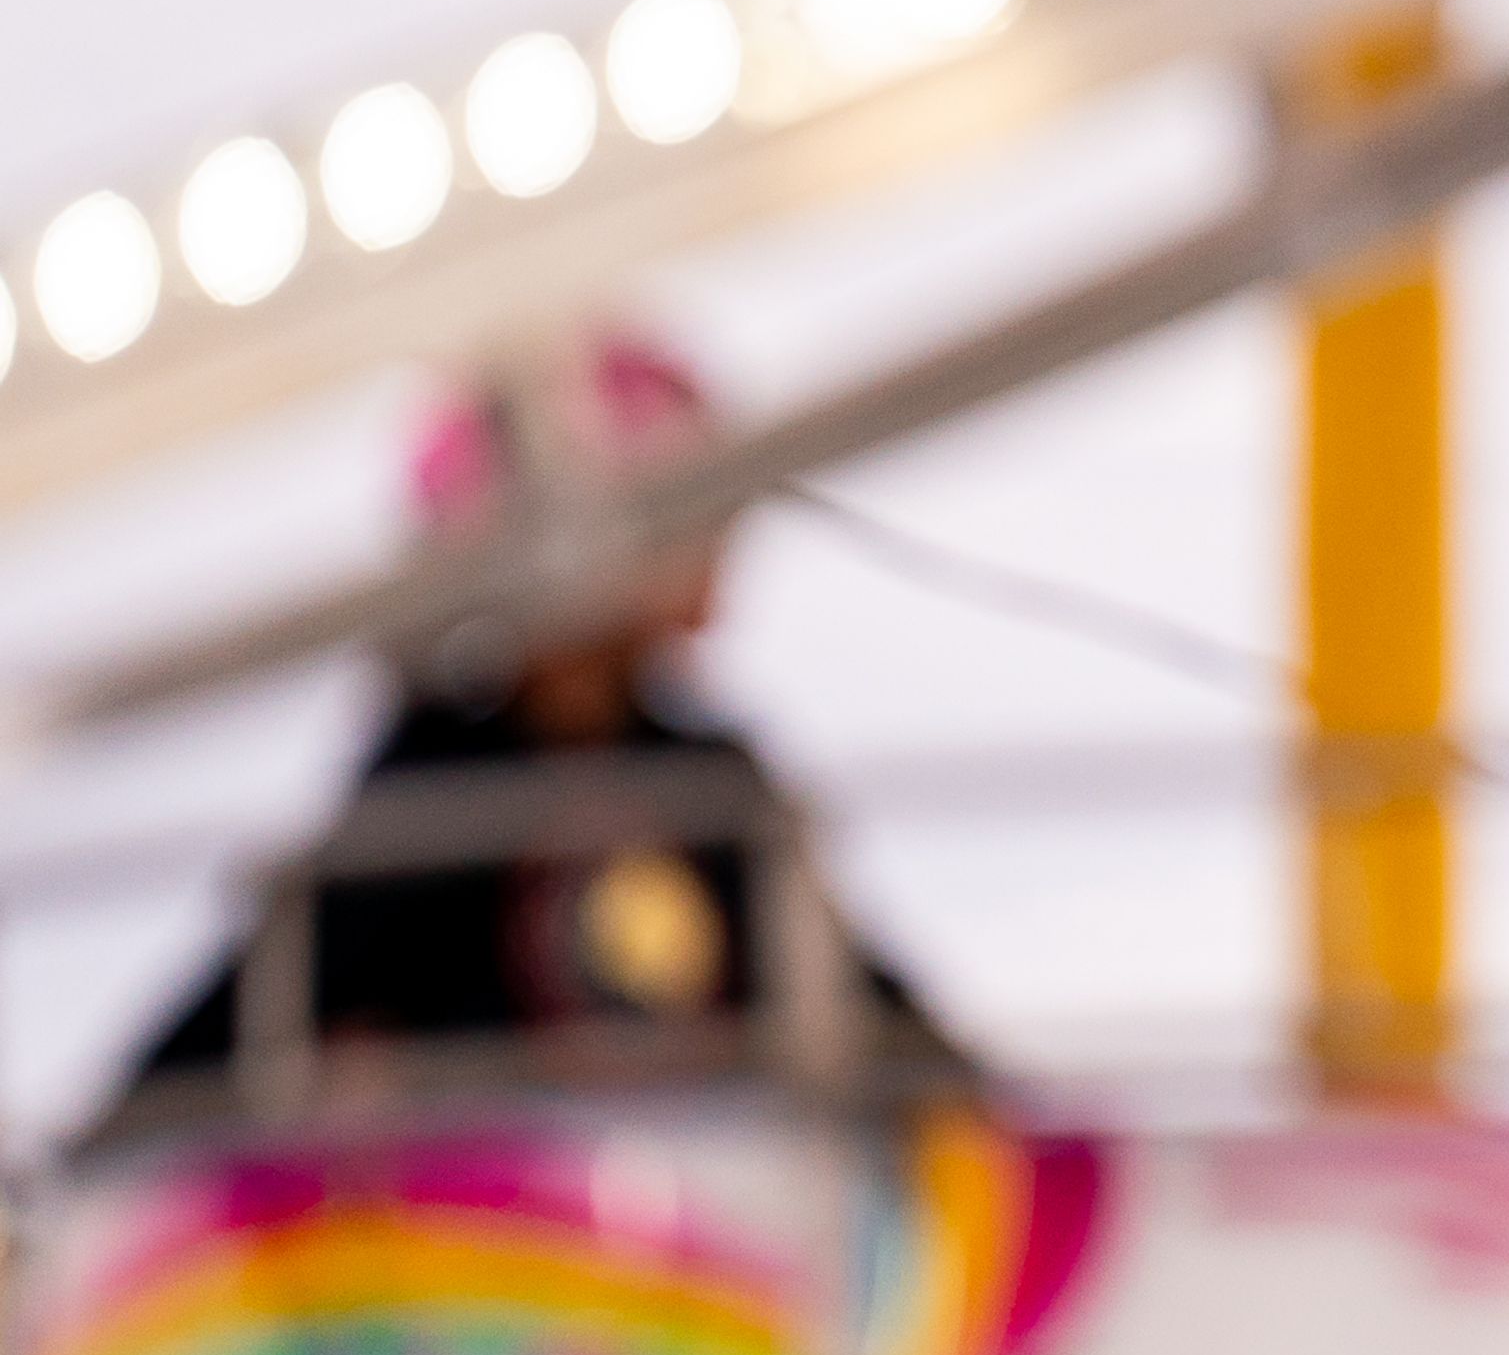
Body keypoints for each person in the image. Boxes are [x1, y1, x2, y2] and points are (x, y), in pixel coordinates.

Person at [119, 331, 953, 1114]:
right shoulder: (436, 785)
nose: (722, 548)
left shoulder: (711, 781)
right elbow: (225, 1032)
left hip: (710, 1237)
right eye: (698, 511)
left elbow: (895, 1031)